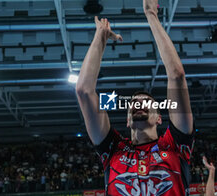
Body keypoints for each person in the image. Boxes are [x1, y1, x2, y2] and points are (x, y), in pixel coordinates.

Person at [76, 0, 194, 194]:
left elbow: (177, 75)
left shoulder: (175, 145)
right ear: (128, 119)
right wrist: (100, 37)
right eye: (133, 103)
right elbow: (83, 90)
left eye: (147, 102)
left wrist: (151, 15)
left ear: (159, 118)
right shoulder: (113, 149)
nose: (139, 103)